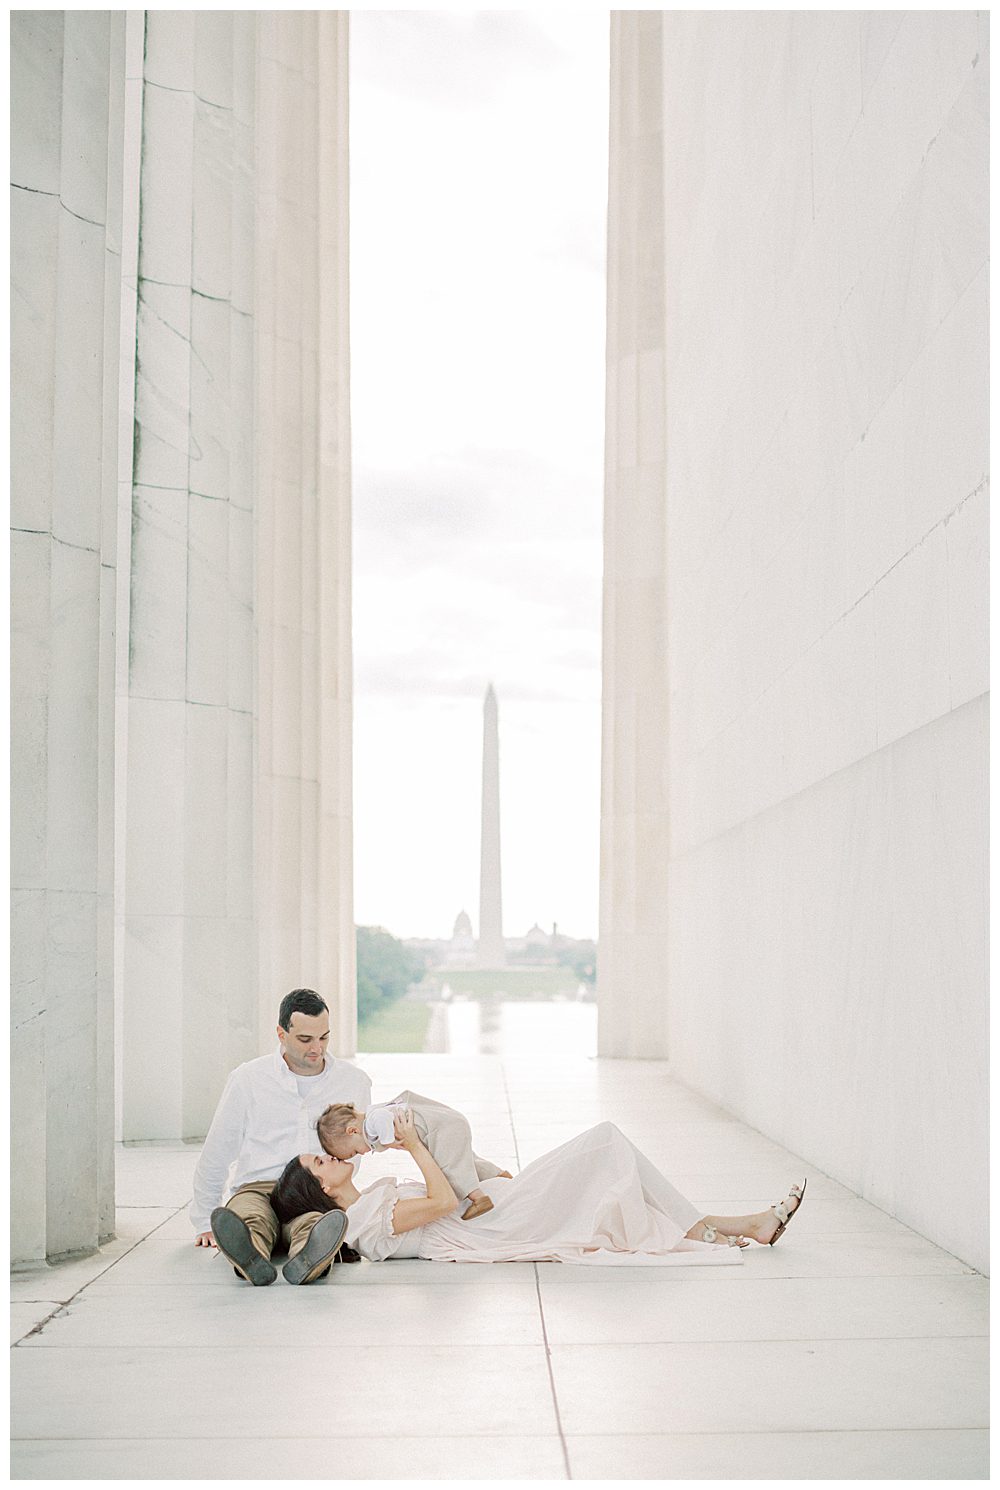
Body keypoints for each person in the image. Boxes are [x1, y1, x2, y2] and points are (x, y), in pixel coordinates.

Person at [271, 1110, 807, 1267]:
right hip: (496, 1227)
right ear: (322, 1187)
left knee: (612, 1163)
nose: (333, 1156)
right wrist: (411, 1143)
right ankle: (718, 1230)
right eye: (321, 1160)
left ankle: (742, 1226)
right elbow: (439, 1204)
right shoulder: (364, 1224)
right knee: (606, 1143)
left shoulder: (372, 1199)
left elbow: (449, 1187)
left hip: (496, 1208)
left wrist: (483, 1173)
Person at [190, 988, 372, 1285]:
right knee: (250, 1219)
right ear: (281, 1033)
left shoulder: (353, 1081)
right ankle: (250, 1256)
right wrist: (204, 1220)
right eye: (305, 1039)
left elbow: (359, 1146)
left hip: (315, 1190)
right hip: (258, 1187)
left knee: (315, 1224)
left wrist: (335, 1191)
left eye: (324, 1037)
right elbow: (218, 1149)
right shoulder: (249, 1078)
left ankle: (310, 1259)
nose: (317, 1048)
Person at [318, 1090, 512, 1220]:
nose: (361, 1153)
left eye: (354, 1151)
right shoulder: (373, 1120)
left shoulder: (374, 1119)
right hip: (446, 1125)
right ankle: (500, 1175)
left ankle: (478, 1198)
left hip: (440, 1130)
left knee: (449, 1168)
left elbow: (384, 1121)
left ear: (352, 1131)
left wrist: (389, 1142)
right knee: (464, 1161)